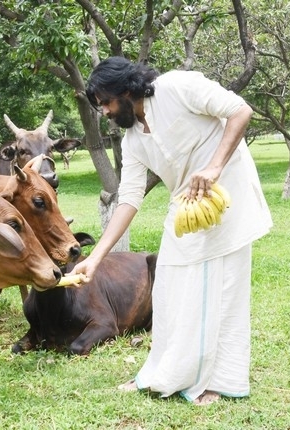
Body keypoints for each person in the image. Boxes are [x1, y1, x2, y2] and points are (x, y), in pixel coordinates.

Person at [72, 57, 273, 405]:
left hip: (229, 194)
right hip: (186, 209)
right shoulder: (133, 139)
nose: (103, 112)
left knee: (222, 290)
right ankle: (159, 373)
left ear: (126, 89)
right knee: (167, 287)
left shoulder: (179, 86)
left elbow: (240, 110)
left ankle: (218, 382)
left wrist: (213, 168)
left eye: (105, 102)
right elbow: (129, 199)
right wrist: (95, 259)